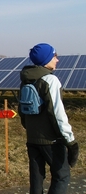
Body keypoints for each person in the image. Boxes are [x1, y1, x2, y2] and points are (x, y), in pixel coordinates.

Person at [18, 43, 79, 194]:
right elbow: (57, 113)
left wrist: (31, 130)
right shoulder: (50, 80)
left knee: (37, 178)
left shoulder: (26, 79)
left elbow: (22, 111)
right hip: (51, 140)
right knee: (62, 175)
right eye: (54, 56)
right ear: (46, 59)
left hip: (32, 138)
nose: (57, 60)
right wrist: (70, 141)